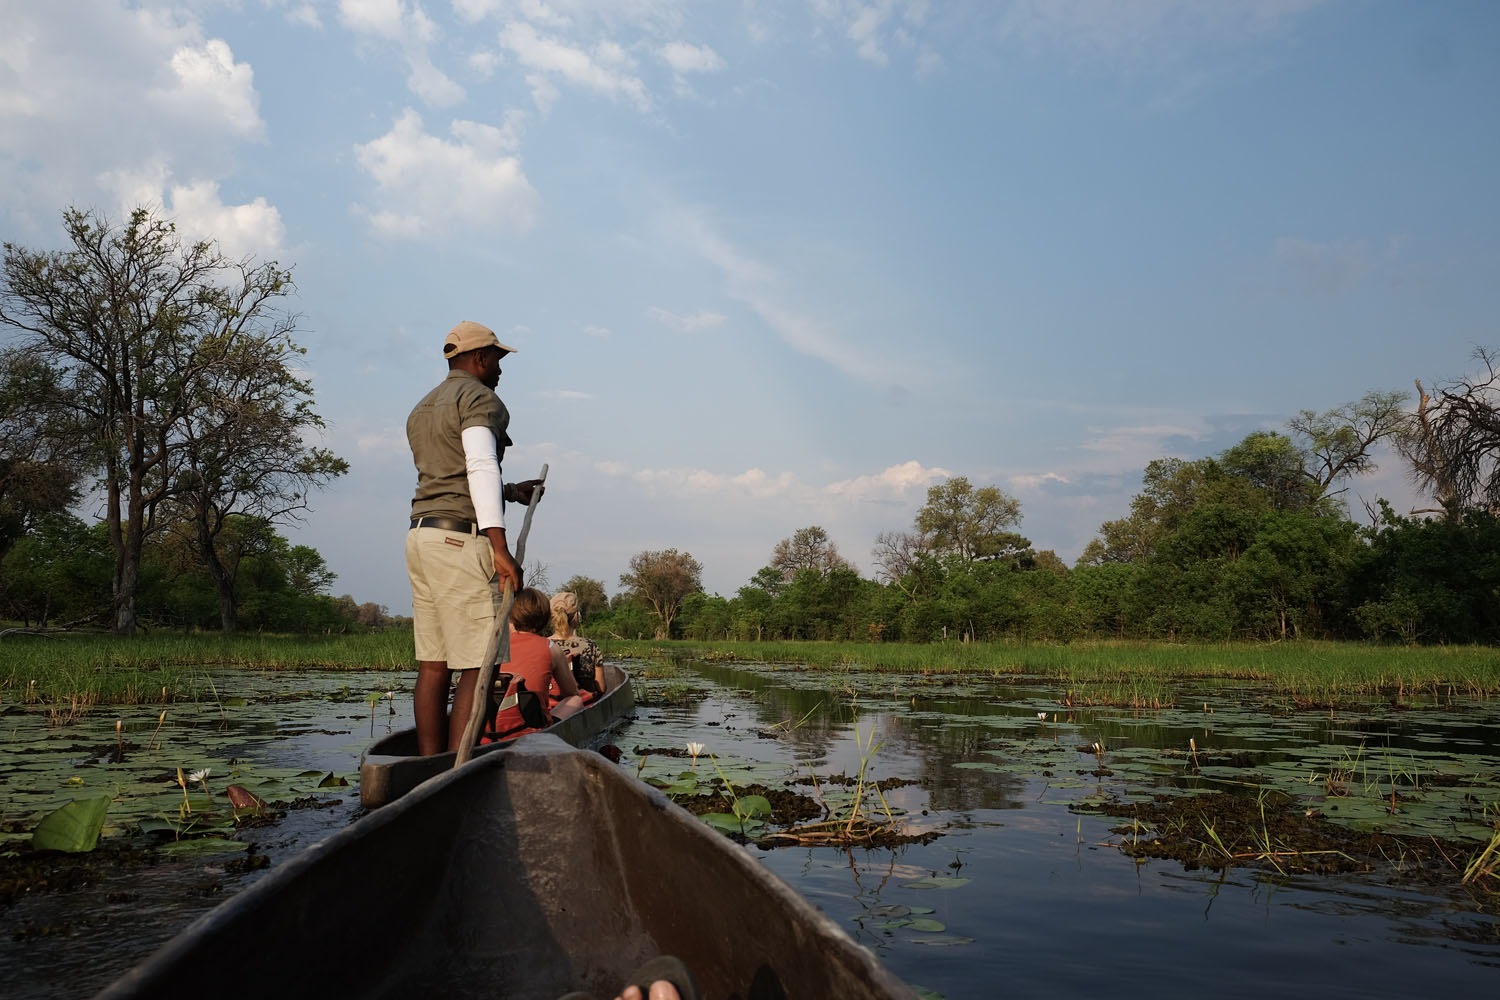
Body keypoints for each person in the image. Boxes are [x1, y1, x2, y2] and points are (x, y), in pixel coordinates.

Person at [405, 320, 543, 755]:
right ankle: (457, 769)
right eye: (498, 360)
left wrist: (510, 493)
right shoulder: (480, 398)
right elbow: (480, 465)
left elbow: (452, 476)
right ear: (479, 358)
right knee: (476, 666)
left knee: (434, 665)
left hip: (422, 538)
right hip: (460, 545)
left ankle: (428, 769)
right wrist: (499, 547)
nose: (501, 370)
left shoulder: (422, 407)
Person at [489, 587, 583, 740]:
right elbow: (572, 694)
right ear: (546, 618)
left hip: (489, 727)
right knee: (576, 699)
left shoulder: (492, 645)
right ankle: (552, 728)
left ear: (511, 616)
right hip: (532, 726)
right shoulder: (552, 648)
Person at [550, 590, 605, 696]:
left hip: (552, 702)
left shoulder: (543, 645)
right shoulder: (590, 646)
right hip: (584, 702)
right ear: (577, 616)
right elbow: (601, 688)